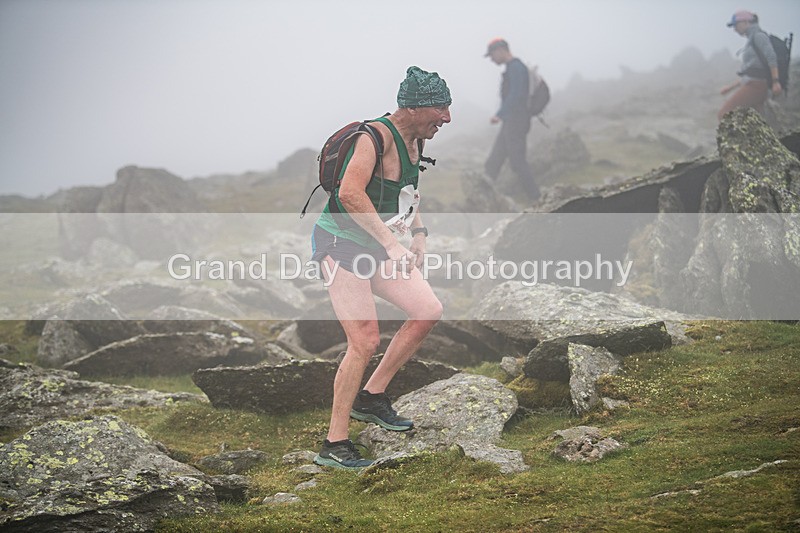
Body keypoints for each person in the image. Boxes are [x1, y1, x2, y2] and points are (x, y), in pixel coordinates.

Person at [311, 66, 451, 470]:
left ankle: (371, 399)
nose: (446, 118)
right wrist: (392, 244)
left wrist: (419, 235)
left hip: (377, 246)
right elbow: (350, 193)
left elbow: (409, 194)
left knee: (428, 310)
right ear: (413, 107)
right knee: (365, 340)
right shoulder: (372, 137)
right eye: (440, 109)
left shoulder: (414, 140)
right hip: (340, 245)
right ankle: (334, 444)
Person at [484, 38, 540, 201]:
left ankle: (536, 197)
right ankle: (482, 198)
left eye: (492, 55)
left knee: (517, 161)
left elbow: (516, 94)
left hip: (517, 120)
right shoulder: (513, 67)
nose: (492, 59)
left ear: (501, 50)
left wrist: (499, 114)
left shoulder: (516, 67)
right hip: (512, 120)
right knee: (494, 160)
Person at [718, 10, 783, 121]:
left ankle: (734, 138)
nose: (735, 29)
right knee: (754, 120)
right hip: (754, 84)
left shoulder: (759, 36)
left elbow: (771, 57)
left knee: (724, 113)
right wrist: (730, 88)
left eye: (736, 25)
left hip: (757, 86)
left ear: (746, 22)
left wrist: (776, 81)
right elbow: (751, 71)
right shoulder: (751, 39)